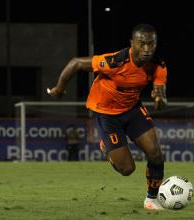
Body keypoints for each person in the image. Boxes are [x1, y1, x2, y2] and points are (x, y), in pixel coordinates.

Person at [48, 24, 168, 210]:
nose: (146, 49)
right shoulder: (115, 61)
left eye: (151, 44)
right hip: (106, 114)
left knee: (156, 154)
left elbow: (160, 96)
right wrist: (59, 89)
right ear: (132, 43)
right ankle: (107, 147)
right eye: (141, 43)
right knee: (127, 169)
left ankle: (152, 199)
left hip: (132, 109)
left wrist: (159, 99)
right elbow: (76, 63)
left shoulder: (158, 65)